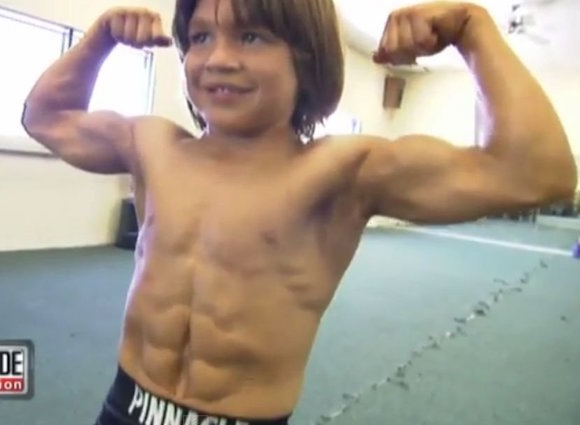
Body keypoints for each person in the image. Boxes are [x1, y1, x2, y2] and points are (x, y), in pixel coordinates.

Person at [21, 0, 577, 424]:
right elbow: (45, 117)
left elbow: (536, 173)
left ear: (306, 59)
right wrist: (99, 39)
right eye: (201, 36)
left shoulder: (341, 172)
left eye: (252, 36)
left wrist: (474, 29)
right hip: (128, 405)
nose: (218, 59)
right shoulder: (152, 146)